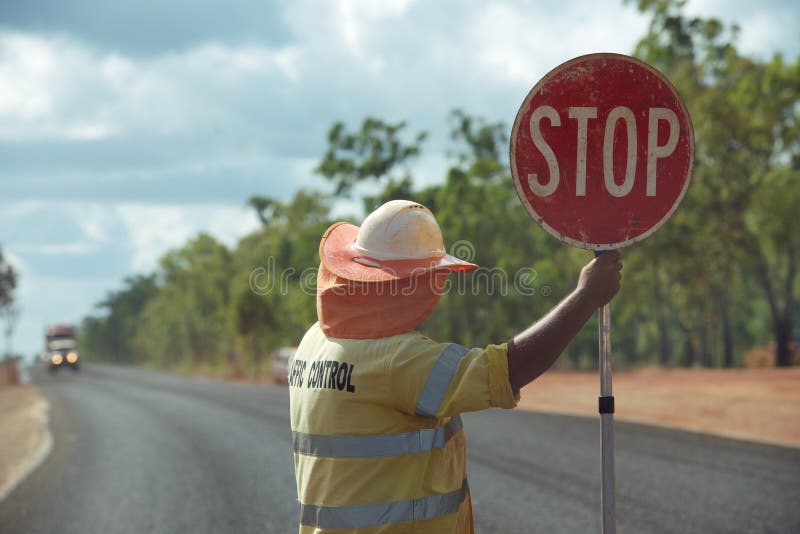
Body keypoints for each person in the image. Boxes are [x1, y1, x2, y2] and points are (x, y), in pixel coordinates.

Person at [289, 199, 622, 533]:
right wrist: (586, 296)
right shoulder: (400, 361)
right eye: (434, 276)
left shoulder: (313, 342)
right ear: (409, 284)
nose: (440, 286)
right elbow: (507, 370)